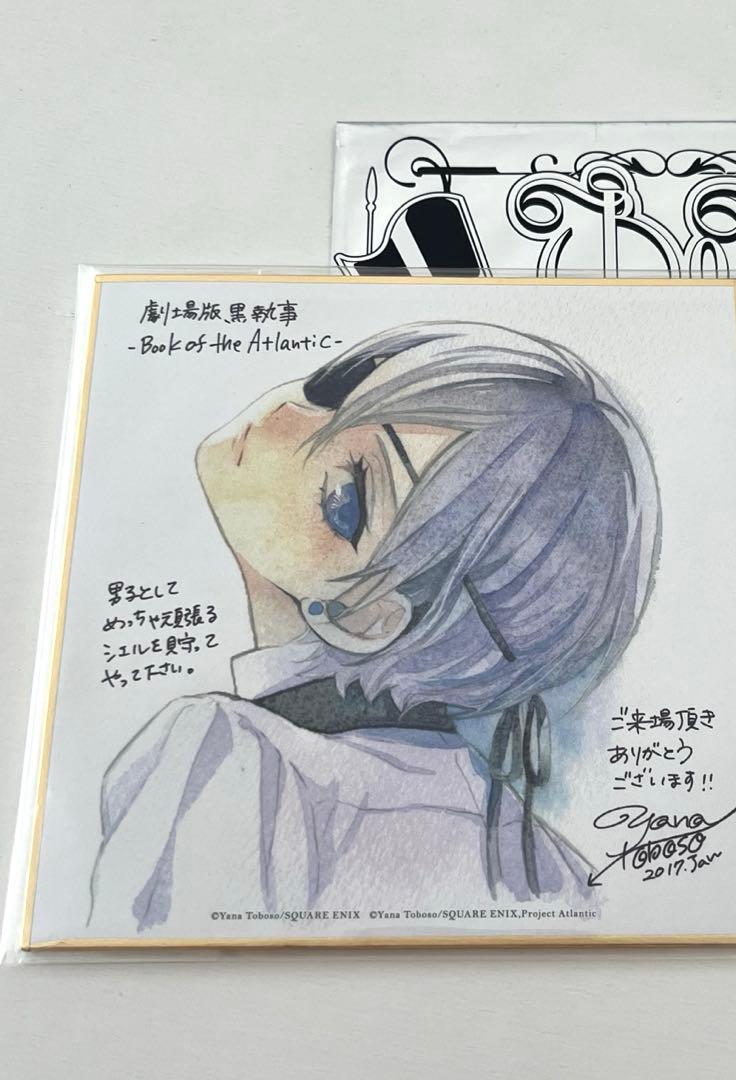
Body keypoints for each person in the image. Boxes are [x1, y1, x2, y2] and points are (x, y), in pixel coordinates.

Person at [89, 322, 660, 932]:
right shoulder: (557, 876)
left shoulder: (230, 759)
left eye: (345, 495)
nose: (286, 418)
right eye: (336, 388)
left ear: (369, 619)